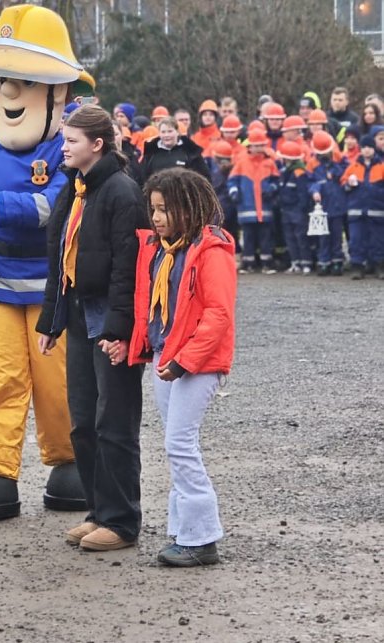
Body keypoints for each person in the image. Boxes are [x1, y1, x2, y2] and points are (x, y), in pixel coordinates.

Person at [0, 4, 92, 522]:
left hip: (51, 288)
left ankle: (71, 459)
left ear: (60, 92)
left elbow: (50, 209)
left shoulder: (67, 150)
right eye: (4, 79)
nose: (8, 93)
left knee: (57, 383)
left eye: (24, 80)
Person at [36, 104, 147, 552]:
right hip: (80, 315)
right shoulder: (74, 188)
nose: (63, 148)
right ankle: (98, 510)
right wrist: (52, 319)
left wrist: (120, 331)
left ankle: (122, 521)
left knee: (114, 422)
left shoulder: (122, 192)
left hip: (109, 319)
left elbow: (128, 269)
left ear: (97, 145)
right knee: (82, 421)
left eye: (71, 141)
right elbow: (58, 259)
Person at [128, 168, 236, 567]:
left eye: (164, 209)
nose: (155, 218)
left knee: (179, 444)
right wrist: (141, 347)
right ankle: (183, 530)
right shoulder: (159, 248)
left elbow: (218, 314)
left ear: (189, 208)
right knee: (177, 446)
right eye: (153, 209)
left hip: (196, 364)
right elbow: (149, 306)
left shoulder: (211, 251)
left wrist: (184, 360)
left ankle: (202, 537)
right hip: (165, 358)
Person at [229, 128, 279, 274]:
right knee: (248, 237)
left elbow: (276, 180)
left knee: (265, 237)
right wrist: (234, 192)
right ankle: (248, 263)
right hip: (247, 207)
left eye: (260, 145)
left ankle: (266, 263)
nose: (258, 149)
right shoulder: (241, 162)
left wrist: (271, 189)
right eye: (255, 145)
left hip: (264, 208)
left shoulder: (270, 162)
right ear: (249, 146)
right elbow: (232, 181)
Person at [341, 133, 384, 279]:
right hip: (356, 212)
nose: (366, 150)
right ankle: (357, 267)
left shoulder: (381, 166)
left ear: (374, 149)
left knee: (377, 240)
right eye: (364, 147)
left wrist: (376, 192)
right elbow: (343, 182)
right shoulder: (353, 166)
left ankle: (378, 266)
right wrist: (348, 184)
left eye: (369, 147)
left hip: (376, 212)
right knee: (356, 240)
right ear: (360, 149)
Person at [308, 131, 348, 276]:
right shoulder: (312, 163)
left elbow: (346, 173)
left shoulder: (340, 159)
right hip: (322, 206)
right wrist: (314, 191)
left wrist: (335, 170)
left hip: (337, 204)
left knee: (337, 236)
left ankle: (337, 261)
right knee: (323, 236)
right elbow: (311, 181)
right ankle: (324, 261)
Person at [276, 140, 313, 274]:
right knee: (290, 238)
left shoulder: (299, 172)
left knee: (301, 237)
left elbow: (303, 194)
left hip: (297, 210)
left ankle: (306, 263)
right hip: (286, 210)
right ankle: (295, 263)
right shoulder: (285, 172)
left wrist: (302, 209)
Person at [141, 116, 210, 181]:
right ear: (159, 134)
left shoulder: (190, 152)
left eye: (170, 131)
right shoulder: (151, 154)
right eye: (163, 132)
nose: (166, 135)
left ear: (177, 132)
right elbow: (142, 179)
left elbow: (204, 178)